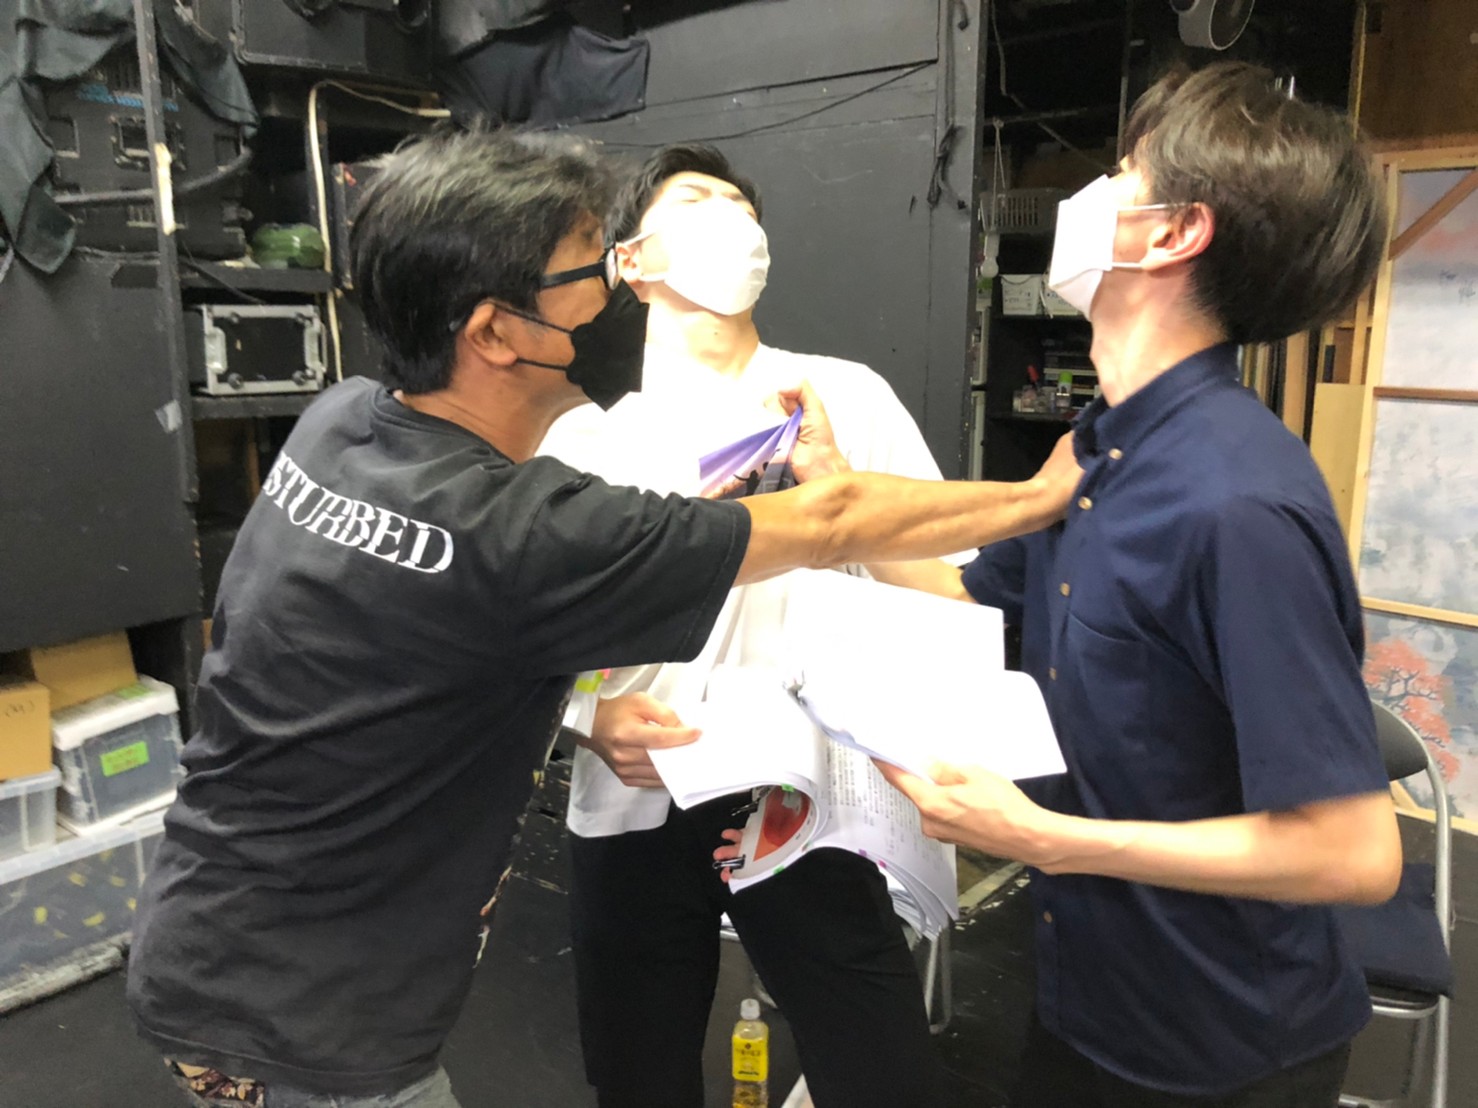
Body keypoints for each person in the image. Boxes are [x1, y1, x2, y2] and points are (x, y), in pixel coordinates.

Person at [124, 126, 1077, 1108]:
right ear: (496, 331)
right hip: (311, 1019)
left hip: (208, 932)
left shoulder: (342, 423)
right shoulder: (530, 523)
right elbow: (811, 522)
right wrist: (1041, 494)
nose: (615, 291)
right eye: (595, 269)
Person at [747, 62, 1402, 1107]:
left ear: (1171, 233)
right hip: (1086, 989)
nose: (1089, 194)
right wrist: (833, 488)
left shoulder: (1235, 505)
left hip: (1221, 1041)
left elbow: (1354, 853)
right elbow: (959, 597)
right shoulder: (1096, 451)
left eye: (1122, 173)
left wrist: (1043, 839)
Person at [540, 143, 964, 1108]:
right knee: (637, 1073)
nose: (733, 217)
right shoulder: (584, 438)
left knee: (882, 1071)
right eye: (698, 199)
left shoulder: (844, 395)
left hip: (802, 796)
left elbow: (947, 600)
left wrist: (838, 491)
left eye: (743, 204)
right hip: (634, 796)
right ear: (632, 258)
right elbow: (524, 631)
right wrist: (587, 722)